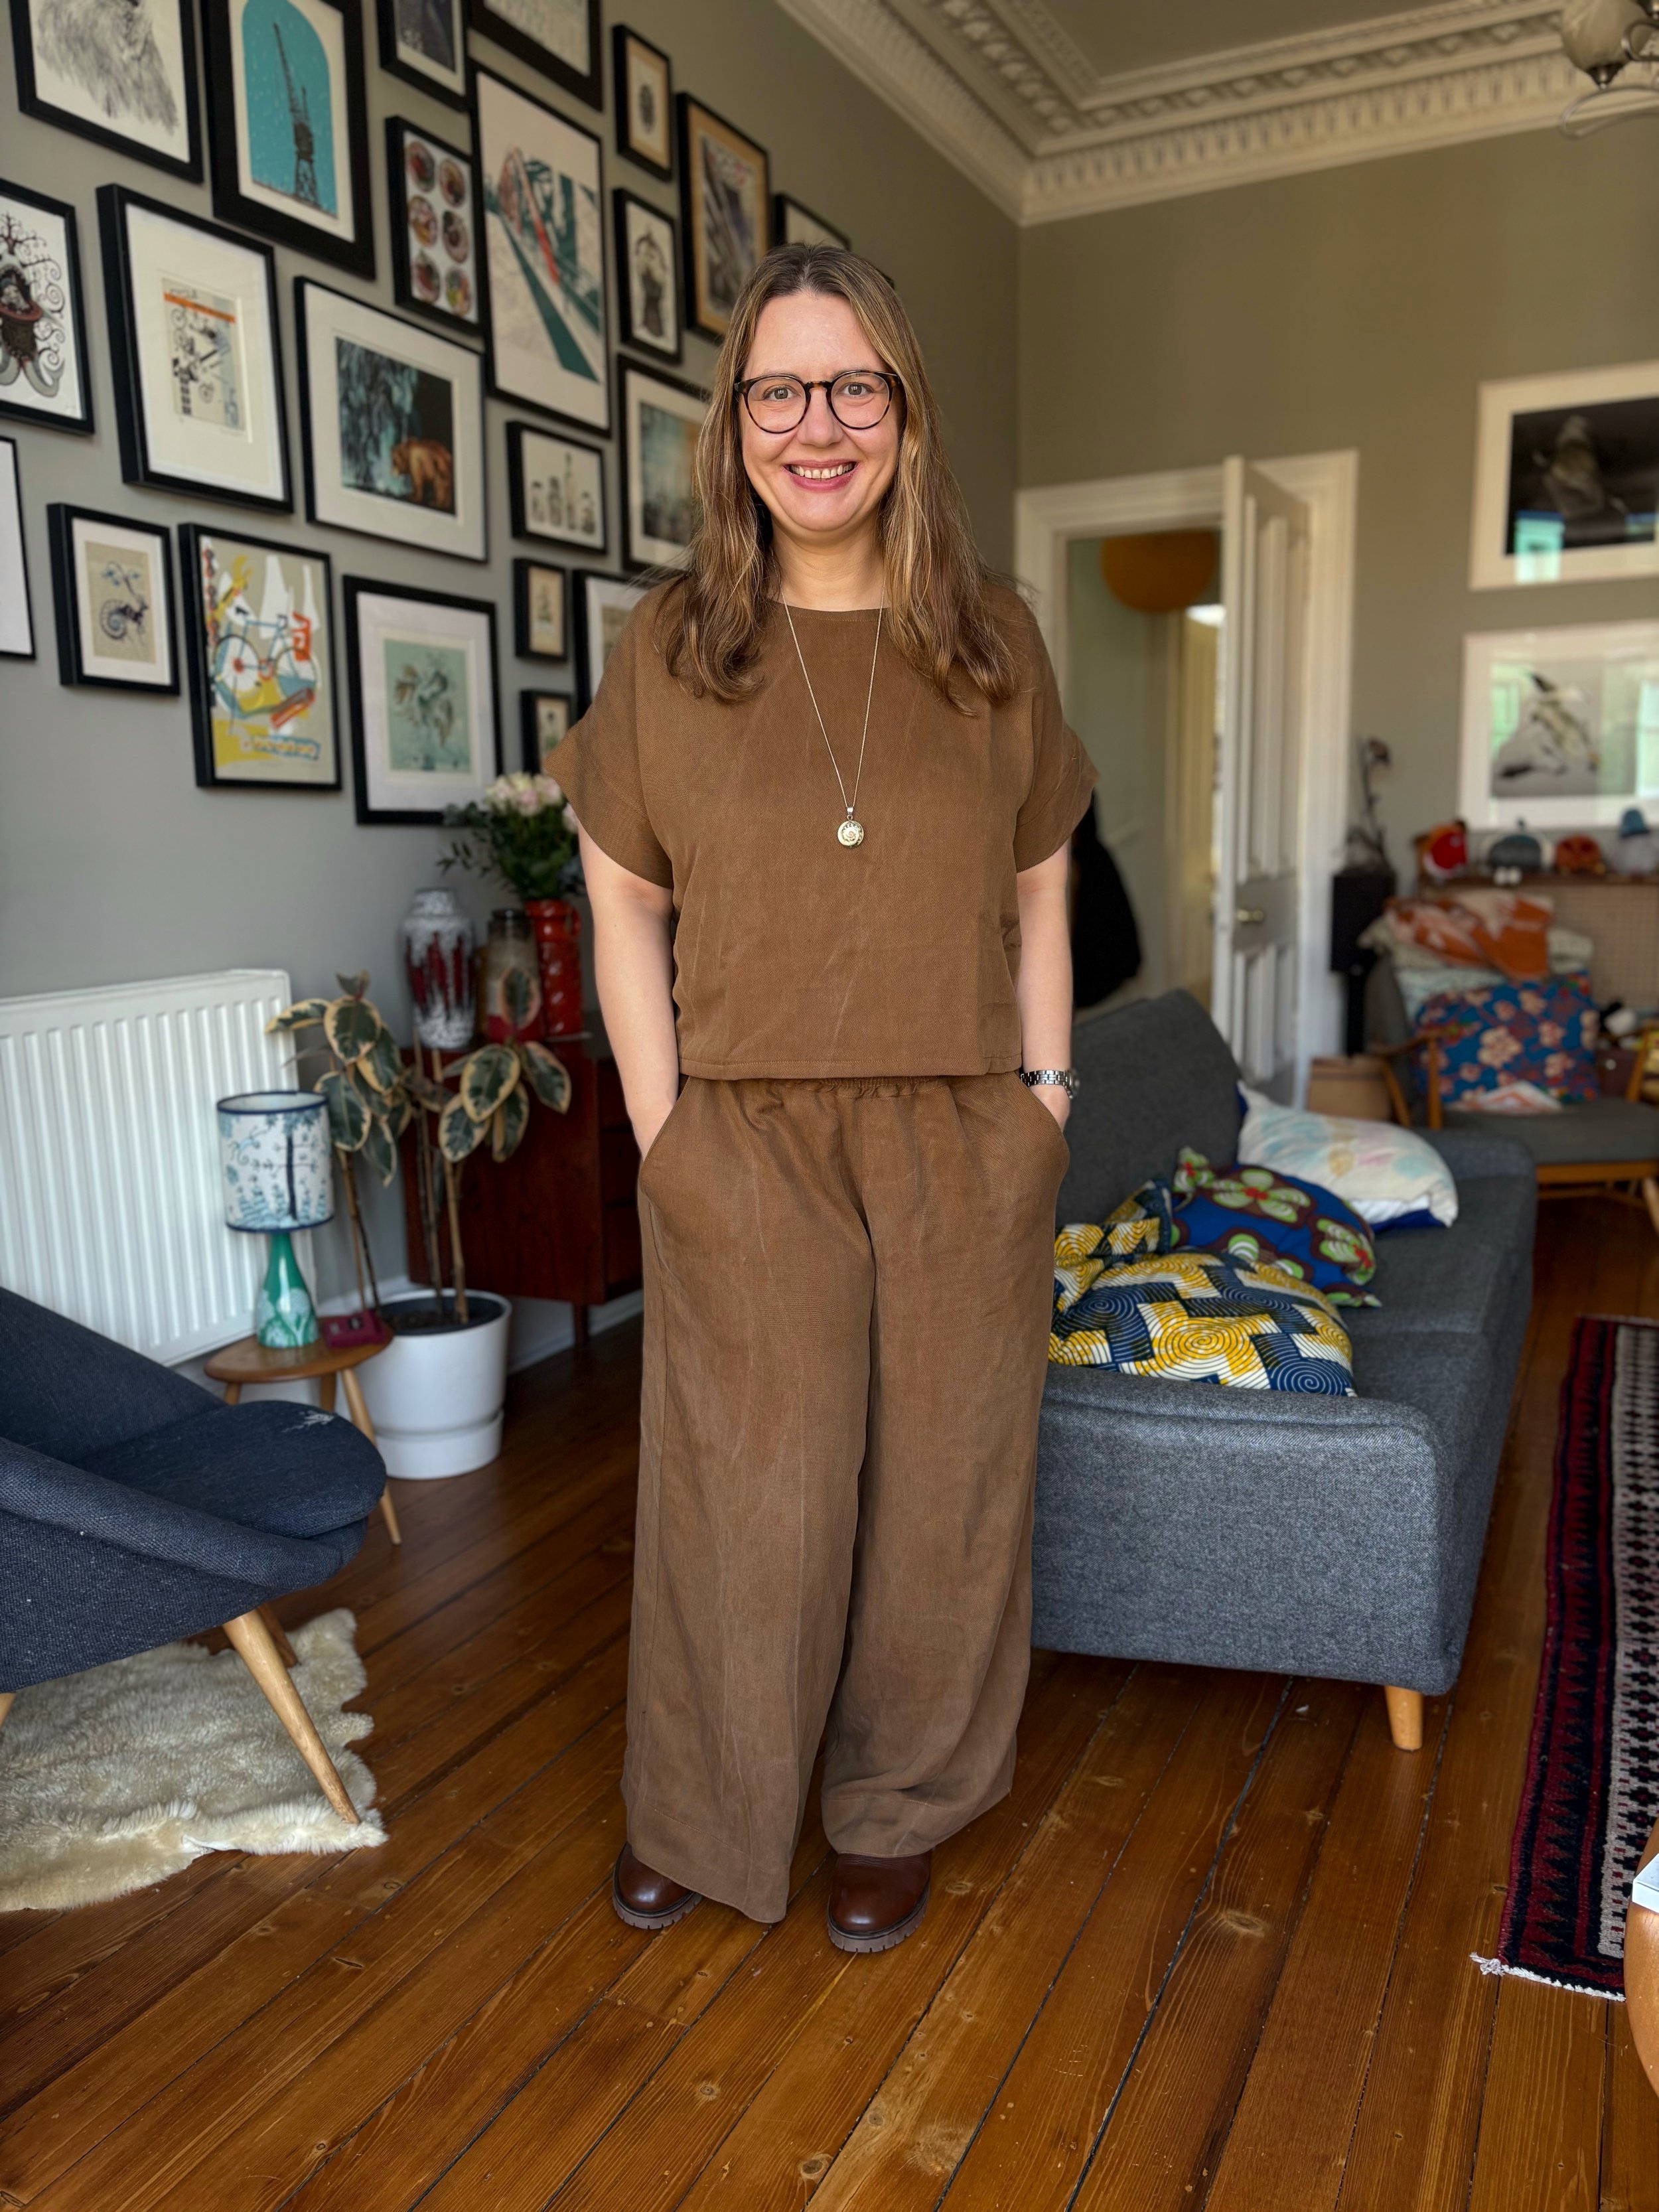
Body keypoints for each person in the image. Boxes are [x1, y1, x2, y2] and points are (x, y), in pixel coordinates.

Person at [557, 242, 1096, 1954]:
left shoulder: (993, 641)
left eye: (852, 384)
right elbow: (622, 902)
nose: (815, 424)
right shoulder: (670, 650)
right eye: (778, 389)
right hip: (746, 1136)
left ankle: (894, 1807)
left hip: (959, 1129)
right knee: (751, 1494)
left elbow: (1038, 895)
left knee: (943, 1494)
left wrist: (1047, 1101)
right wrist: (663, 1129)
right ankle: (703, 1814)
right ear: (734, 422)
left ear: (903, 413)